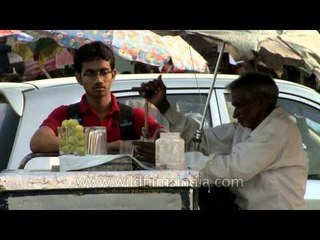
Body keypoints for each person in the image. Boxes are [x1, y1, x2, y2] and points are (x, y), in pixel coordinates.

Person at [133, 72, 307, 210]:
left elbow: (231, 169)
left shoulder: (277, 129)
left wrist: (170, 157)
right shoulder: (247, 126)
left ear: (260, 102)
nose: (235, 114)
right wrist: (164, 105)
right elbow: (203, 142)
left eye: (239, 106)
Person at [30, 41, 165, 154]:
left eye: (104, 72)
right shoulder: (65, 114)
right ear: (79, 78)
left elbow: (163, 137)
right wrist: (110, 146)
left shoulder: (133, 116)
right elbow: (39, 142)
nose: (99, 80)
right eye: (90, 73)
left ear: (113, 75)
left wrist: (159, 140)